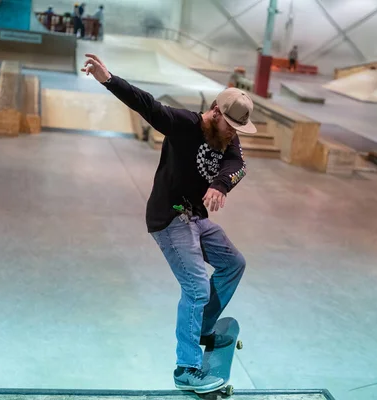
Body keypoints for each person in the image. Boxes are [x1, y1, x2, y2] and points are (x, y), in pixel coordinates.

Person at [81, 53, 254, 393]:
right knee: (195, 287)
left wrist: (221, 185)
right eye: (229, 127)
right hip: (170, 216)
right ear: (216, 112)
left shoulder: (228, 137)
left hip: (195, 218)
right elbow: (148, 105)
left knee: (234, 263)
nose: (233, 135)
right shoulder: (184, 125)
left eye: (237, 130)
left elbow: (238, 164)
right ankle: (186, 368)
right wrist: (108, 79)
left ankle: (203, 326)